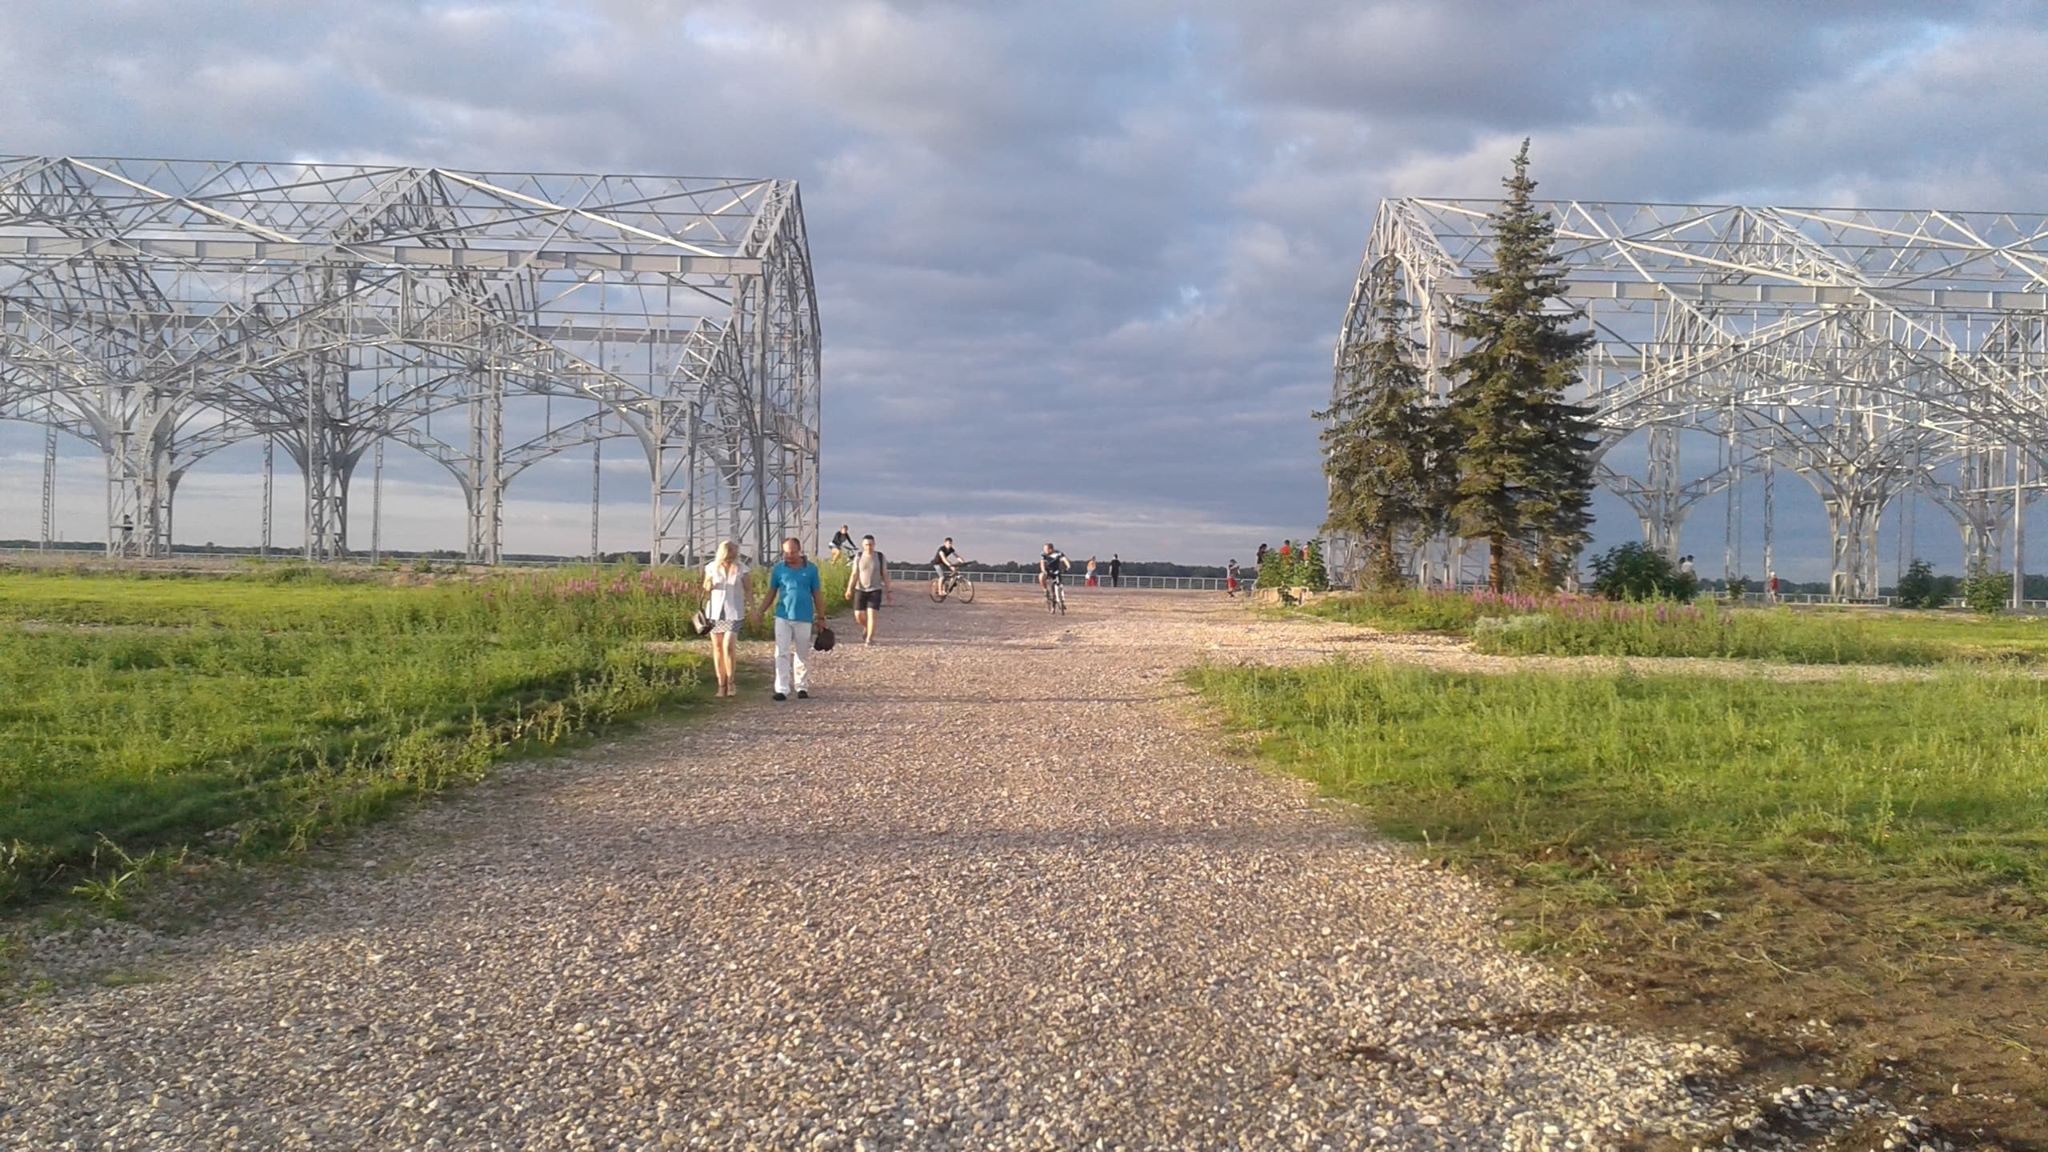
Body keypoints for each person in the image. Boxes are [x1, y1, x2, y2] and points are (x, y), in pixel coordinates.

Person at [755, 535, 825, 701]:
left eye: (792, 552)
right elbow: (772, 592)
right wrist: (761, 610)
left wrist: (821, 616)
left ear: (799, 551)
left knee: (802, 653)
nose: (789, 556)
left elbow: (817, 593)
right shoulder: (779, 569)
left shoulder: (811, 569)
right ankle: (782, 688)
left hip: (804, 616)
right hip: (783, 616)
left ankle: (802, 686)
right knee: (782, 652)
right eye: (786, 553)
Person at [702, 540, 748, 697]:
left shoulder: (742, 569)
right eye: (732, 552)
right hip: (715, 612)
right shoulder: (711, 567)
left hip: (734, 612)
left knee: (728, 646)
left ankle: (731, 682)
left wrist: (754, 610)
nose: (735, 555)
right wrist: (708, 583)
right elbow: (705, 587)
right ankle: (721, 684)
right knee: (717, 648)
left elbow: (749, 590)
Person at [845, 534, 890, 645]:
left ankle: (869, 639)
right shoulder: (859, 557)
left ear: (874, 544)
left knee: (871, 614)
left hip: (875, 589)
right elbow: (854, 573)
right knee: (858, 615)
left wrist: (888, 590)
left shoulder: (880, 557)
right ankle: (867, 627)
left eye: (871, 544)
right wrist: (849, 589)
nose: (869, 547)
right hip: (860, 589)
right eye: (866, 545)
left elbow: (885, 574)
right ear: (863, 545)